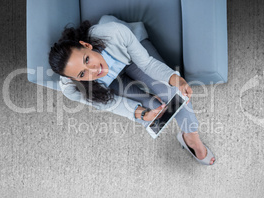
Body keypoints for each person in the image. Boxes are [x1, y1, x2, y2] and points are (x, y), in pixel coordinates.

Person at [48, 15, 215, 165]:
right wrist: (141, 113)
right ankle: (157, 115)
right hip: (108, 82)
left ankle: (191, 137)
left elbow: (147, 64)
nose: (93, 70)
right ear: (74, 78)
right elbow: (109, 104)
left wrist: (176, 79)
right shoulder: (72, 89)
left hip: (130, 56)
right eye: (83, 73)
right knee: (151, 109)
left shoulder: (115, 33)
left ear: (86, 45)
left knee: (173, 93)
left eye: (87, 59)